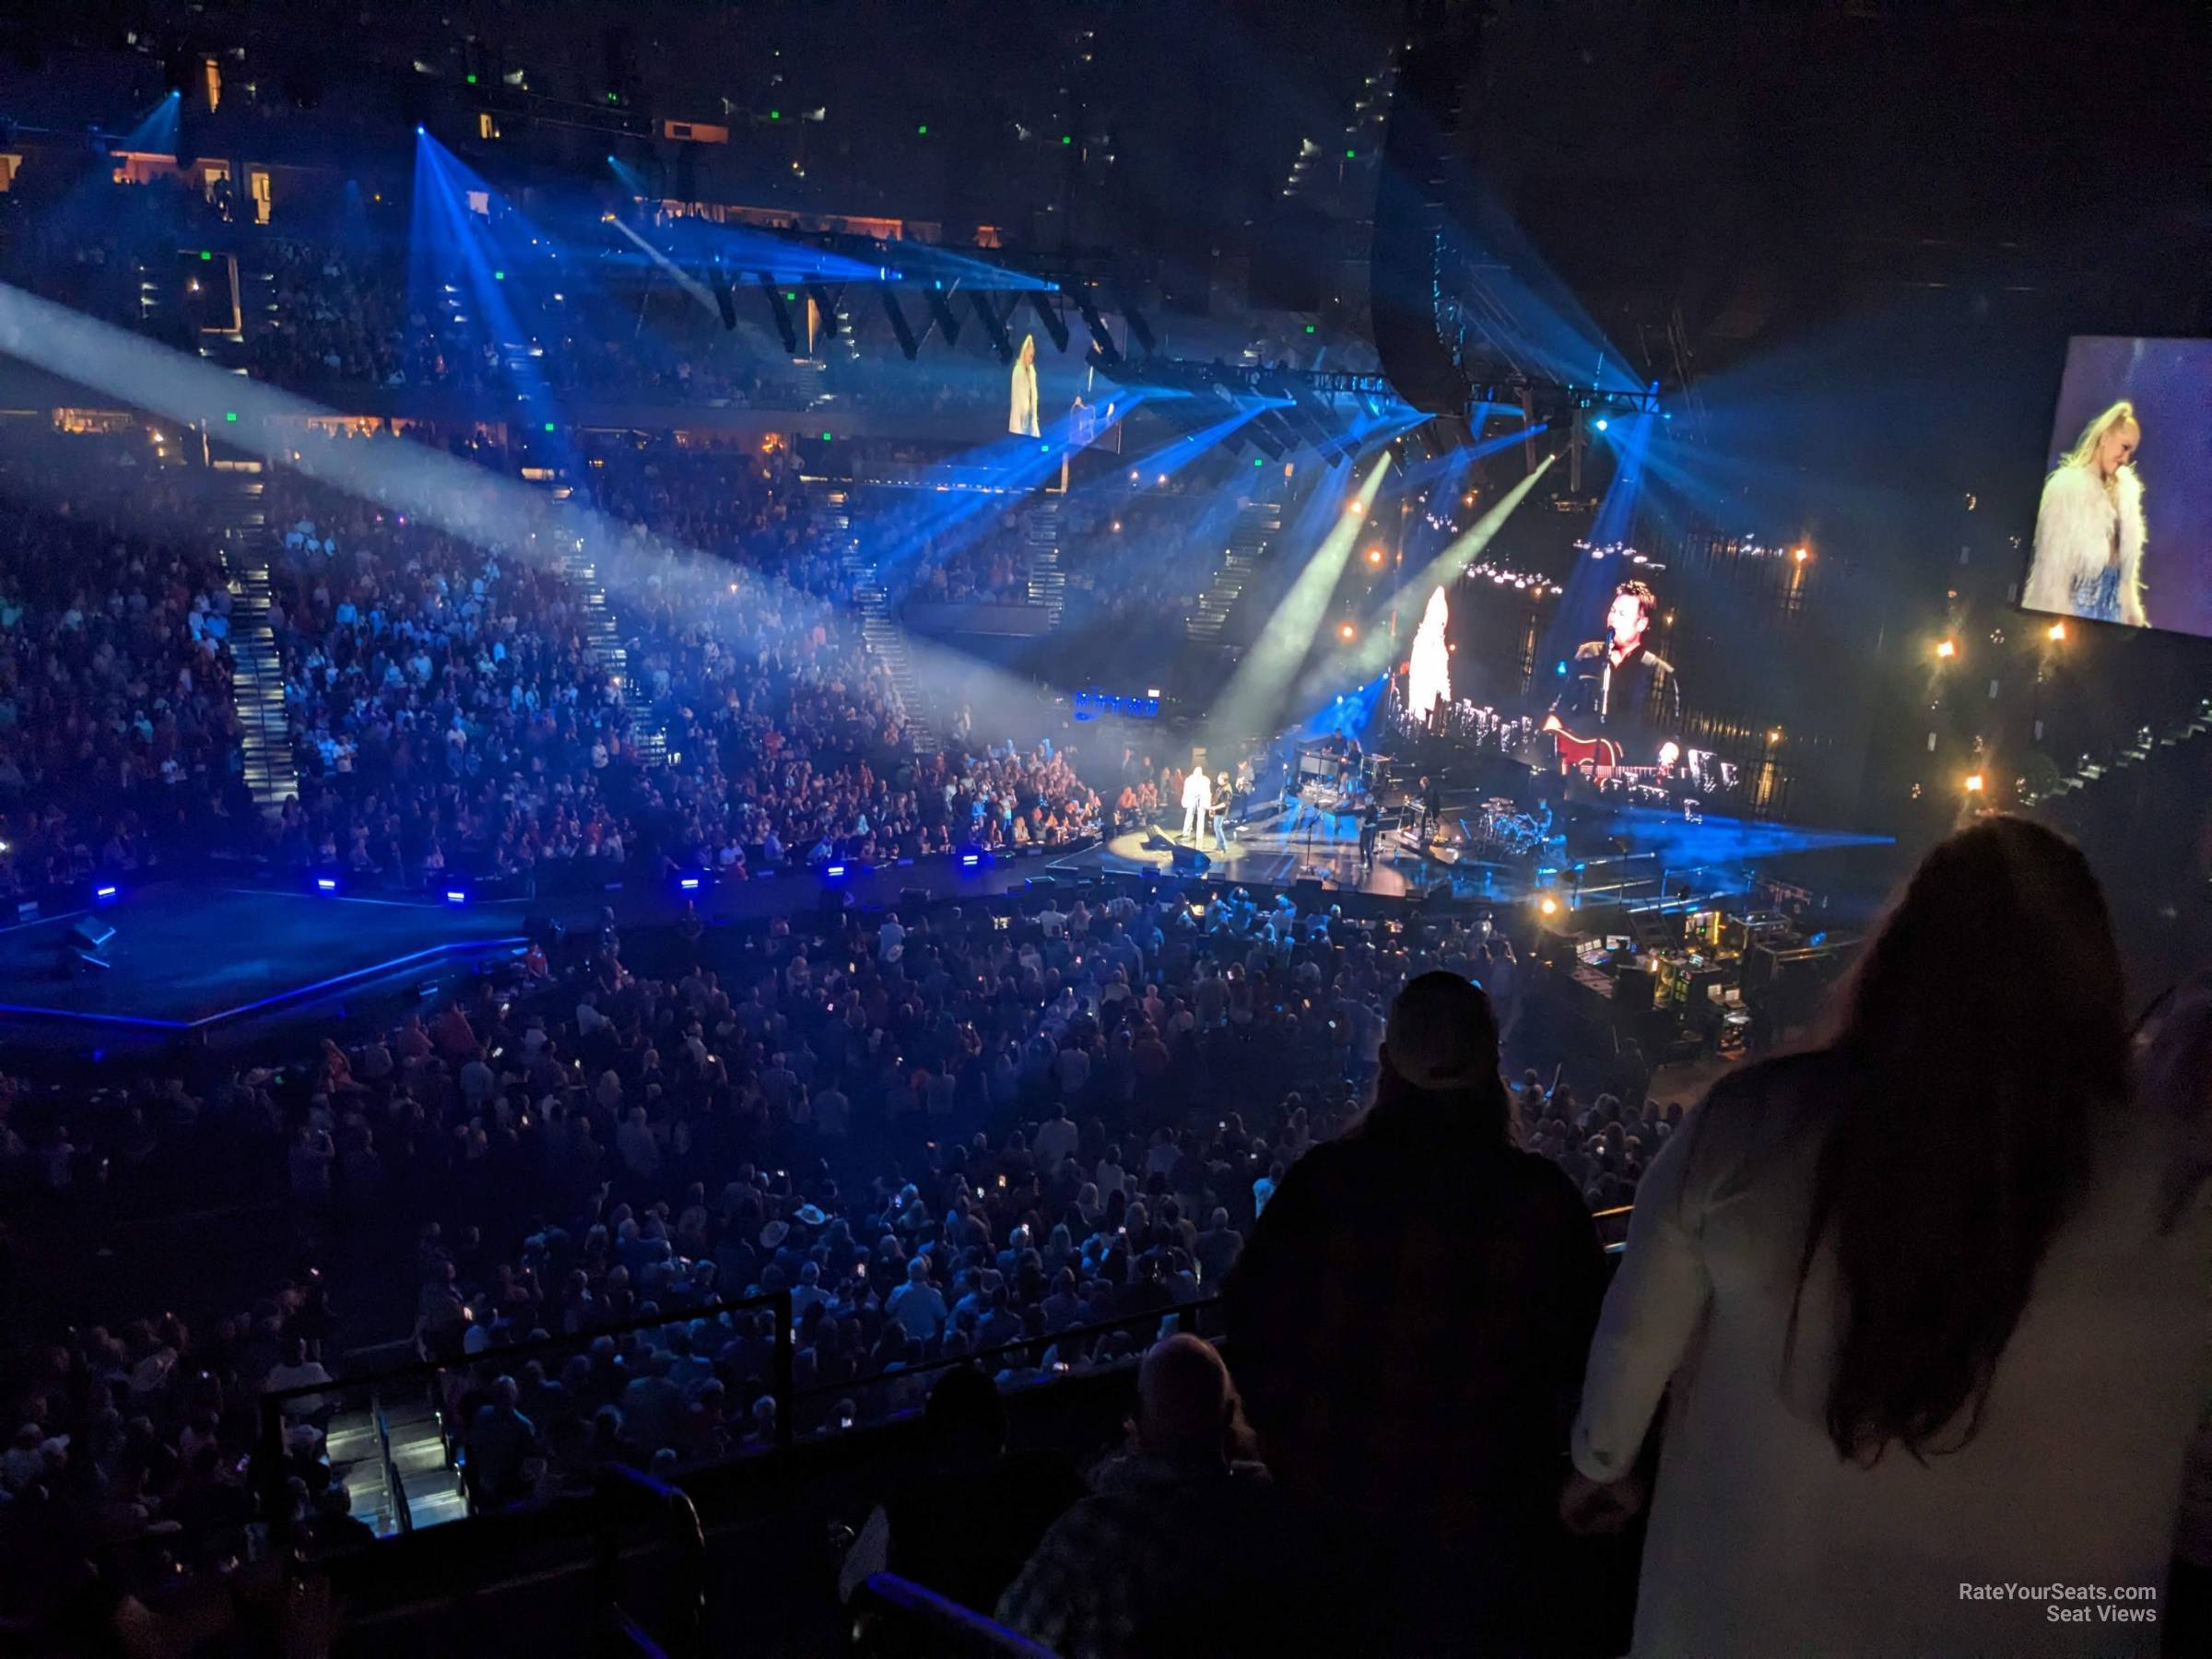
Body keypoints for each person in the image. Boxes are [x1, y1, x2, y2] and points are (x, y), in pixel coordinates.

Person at [1561, 818, 2212, 1657]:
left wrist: (1600, 1468)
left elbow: (1633, 1342)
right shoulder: (2180, 1195)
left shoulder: (1752, 1124)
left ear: (1902, 955)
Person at [1226, 971, 1608, 1653]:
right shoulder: (1543, 1206)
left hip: (1328, 1526)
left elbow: (1248, 1321)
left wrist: (1290, 1447)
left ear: (1384, 1067)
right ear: (1495, 1068)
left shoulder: (1324, 1185)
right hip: (1485, 1544)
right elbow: (1587, 1363)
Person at [996, 1335, 1324, 1657]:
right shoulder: (1274, 1500)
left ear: (1138, 1421)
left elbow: (1006, 1639)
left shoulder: (1090, 1532)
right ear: (1228, 1415)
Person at [2023, 398, 2149, 627]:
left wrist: (2130, 612)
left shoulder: (2126, 494)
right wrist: (2057, 619)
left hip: (2114, 616)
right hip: (2074, 612)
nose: (2126, 458)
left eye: (2131, 451)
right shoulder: (2066, 489)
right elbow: (2051, 569)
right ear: (2104, 438)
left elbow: (2126, 574)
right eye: (2124, 446)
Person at [1543, 579, 1682, 777]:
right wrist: (1546, 744)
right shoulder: (1588, 653)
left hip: (1625, 772)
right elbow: (1561, 708)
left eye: (1623, 614)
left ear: (1641, 623)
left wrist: (1668, 755)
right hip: (1575, 768)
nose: (1613, 618)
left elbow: (1670, 736)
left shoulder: (1660, 672)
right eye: (1613, 611)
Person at [1008, 334, 1041, 438]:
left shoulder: (1031, 372)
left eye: (1033, 356)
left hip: (1029, 421)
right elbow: (1018, 400)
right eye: (1030, 356)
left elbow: (1033, 397)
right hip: (1019, 422)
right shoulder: (1018, 371)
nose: (1031, 359)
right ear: (1025, 352)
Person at [1179, 766, 1212, 845]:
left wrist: (1206, 801)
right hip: (1192, 799)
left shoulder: (1205, 780)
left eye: (1199, 773)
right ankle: (1186, 831)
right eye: (1196, 772)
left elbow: (1207, 791)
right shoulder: (1189, 779)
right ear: (1194, 772)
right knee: (1189, 814)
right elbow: (1186, 790)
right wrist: (1188, 797)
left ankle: (1199, 834)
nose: (1197, 774)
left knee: (1201, 817)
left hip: (1202, 799)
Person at [1208, 771, 1234, 853]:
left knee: (1218, 828)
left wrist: (1214, 808)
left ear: (1223, 779)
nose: (1217, 779)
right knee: (1216, 828)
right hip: (1217, 811)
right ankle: (1219, 846)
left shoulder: (1227, 789)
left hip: (1221, 812)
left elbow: (1225, 803)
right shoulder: (1221, 787)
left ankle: (1223, 847)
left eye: (1219, 778)